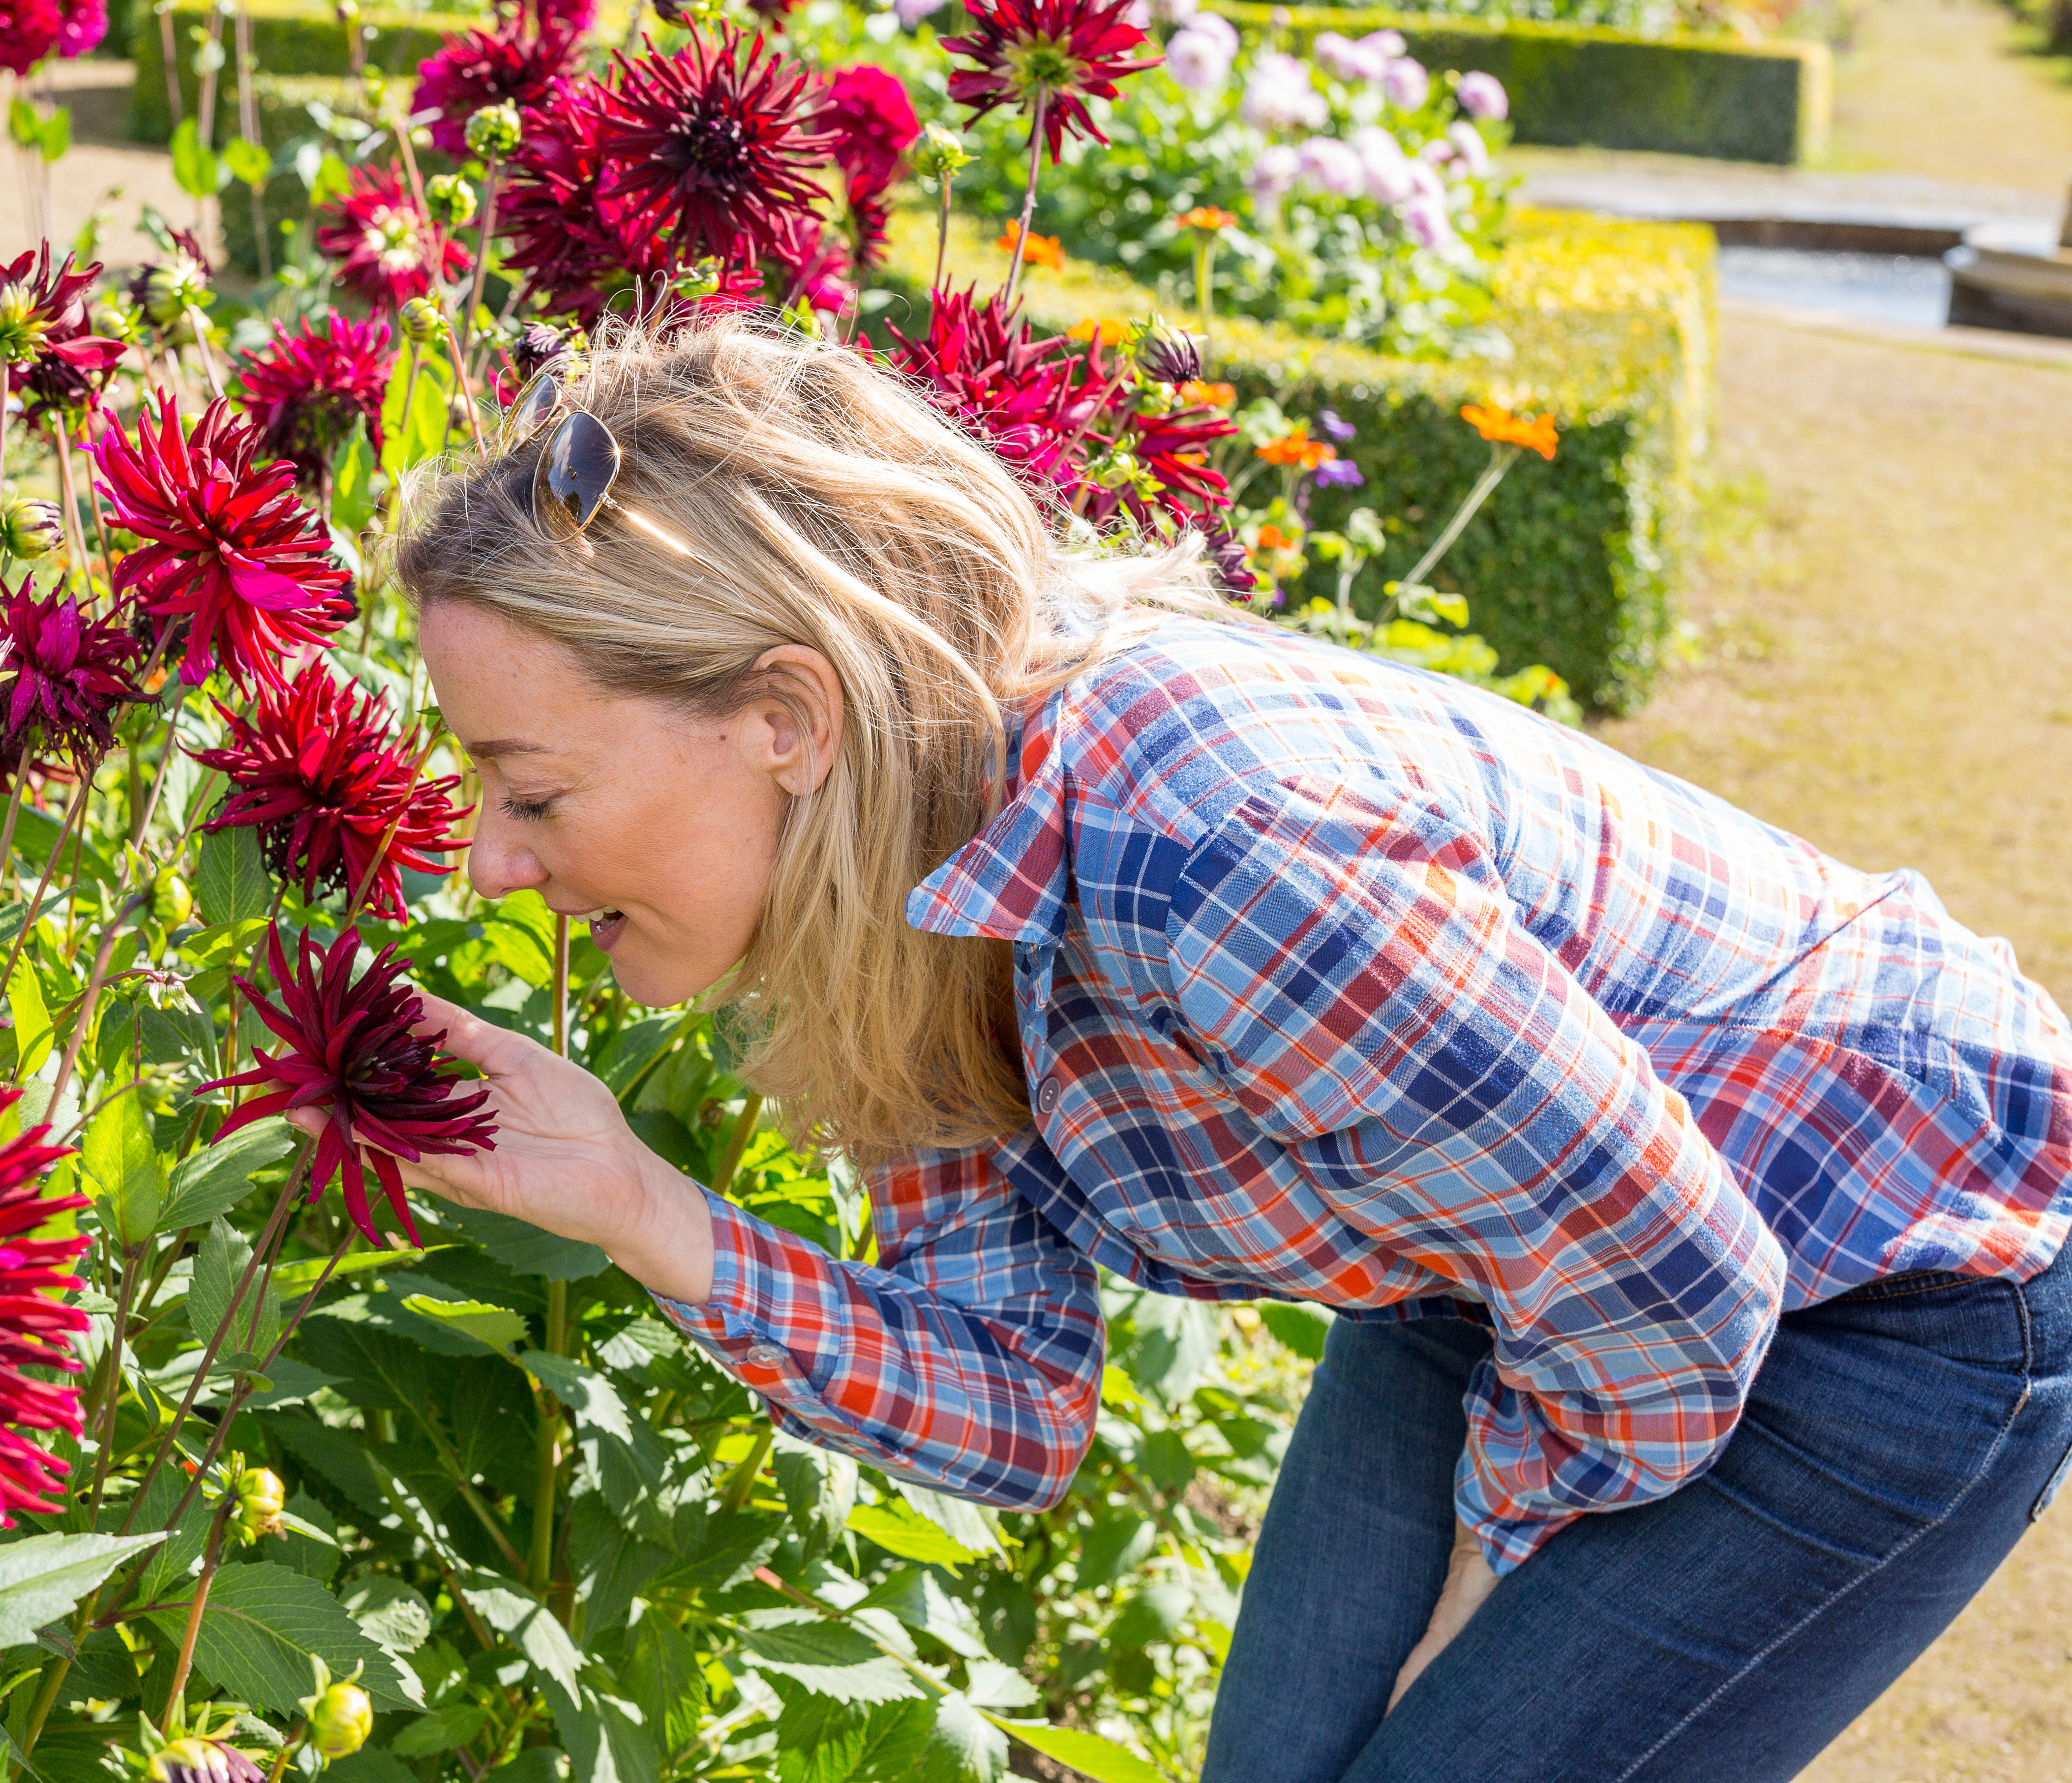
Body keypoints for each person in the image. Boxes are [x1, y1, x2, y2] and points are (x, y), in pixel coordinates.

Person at [369, 319, 2072, 1782]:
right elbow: (1014, 1410)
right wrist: (637, 1204)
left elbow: (1676, 1291)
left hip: (1895, 1268)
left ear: (787, 716)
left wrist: (1476, 1614)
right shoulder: (896, 885)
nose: (493, 860)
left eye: (531, 792)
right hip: (1510, 1269)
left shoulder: (1206, 839)